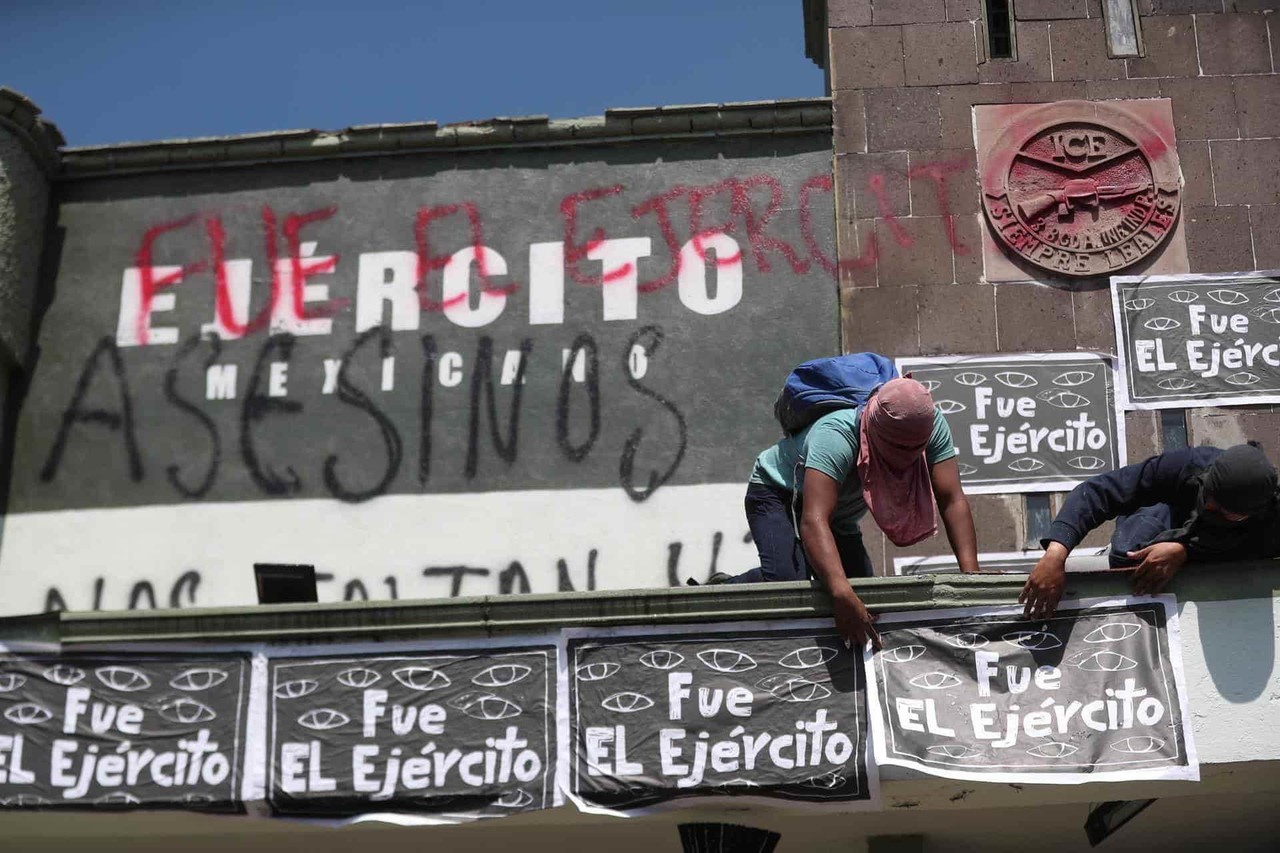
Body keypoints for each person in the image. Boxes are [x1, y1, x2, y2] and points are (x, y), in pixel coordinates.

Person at [717, 377, 979, 650]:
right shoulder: (836, 435)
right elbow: (813, 520)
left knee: (866, 599)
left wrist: (972, 580)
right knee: (787, 584)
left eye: (916, 449)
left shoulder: (931, 424)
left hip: (838, 514)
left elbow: (951, 499)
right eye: (899, 448)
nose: (908, 457)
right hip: (777, 491)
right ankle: (723, 590)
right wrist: (839, 591)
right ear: (875, 431)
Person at [1021, 442, 1280, 620]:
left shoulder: (1272, 523)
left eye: (1220, 510)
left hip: (1206, 551)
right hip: (1163, 521)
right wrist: (1055, 554)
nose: (1209, 505)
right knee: (1131, 556)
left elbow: (1245, 547)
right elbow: (1100, 491)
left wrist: (1183, 551)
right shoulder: (1190, 466)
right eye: (1207, 494)